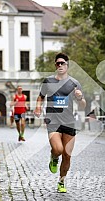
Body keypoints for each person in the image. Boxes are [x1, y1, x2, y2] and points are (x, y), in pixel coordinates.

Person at [34, 52, 86, 193]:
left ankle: (61, 182)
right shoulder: (48, 82)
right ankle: (53, 156)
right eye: (58, 63)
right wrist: (38, 107)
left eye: (63, 63)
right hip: (53, 121)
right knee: (58, 149)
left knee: (67, 155)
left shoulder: (74, 83)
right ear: (55, 65)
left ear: (67, 65)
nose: (60, 65)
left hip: (69, 122)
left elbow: (83, 105)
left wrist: (80, 98)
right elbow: (40, 97)